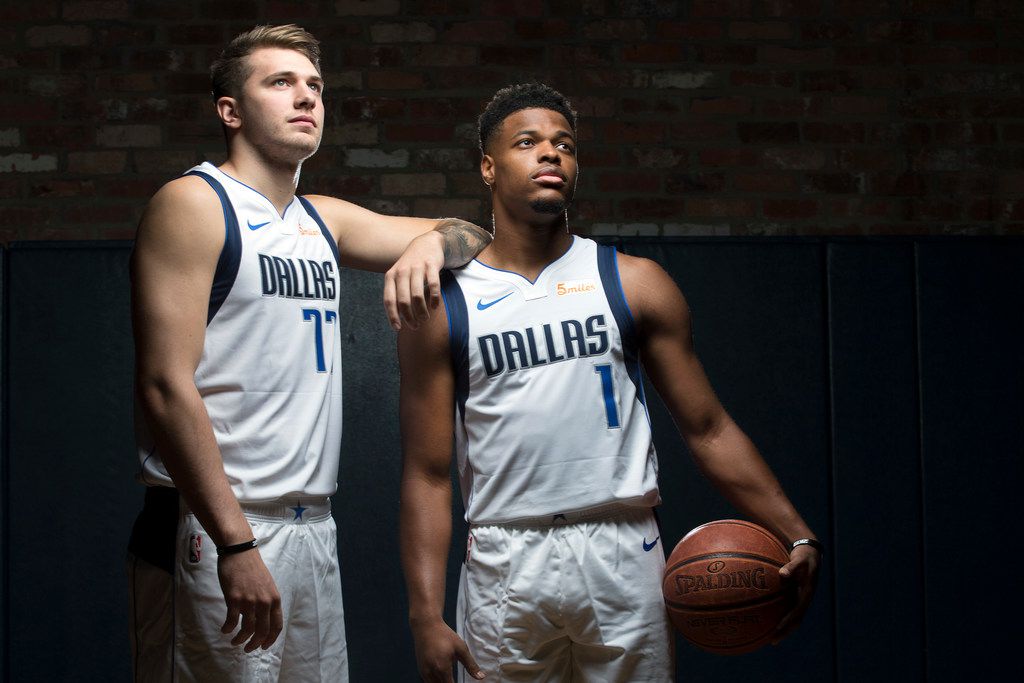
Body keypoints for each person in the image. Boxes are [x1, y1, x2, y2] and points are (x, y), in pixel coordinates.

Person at [398, 83, 821, 682]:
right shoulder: (445, 303)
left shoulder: (634, 281)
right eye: (528, 143)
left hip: (623, 548)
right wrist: (423, 616)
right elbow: (426, 472)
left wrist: (797, 532)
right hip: (504, 554)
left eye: (564, 145)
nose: (551, 154)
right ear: (489, 167)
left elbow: (708, 427)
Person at [126, 24, 491, 683]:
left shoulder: (319, 219)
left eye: (316, 86)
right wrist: (235, 542)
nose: (306, 98)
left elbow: (476, 236)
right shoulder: (195, 204)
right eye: (281, 82)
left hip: (309, 527)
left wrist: (433, 246)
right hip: (215, 526)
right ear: (230, 110)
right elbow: (164, 385)